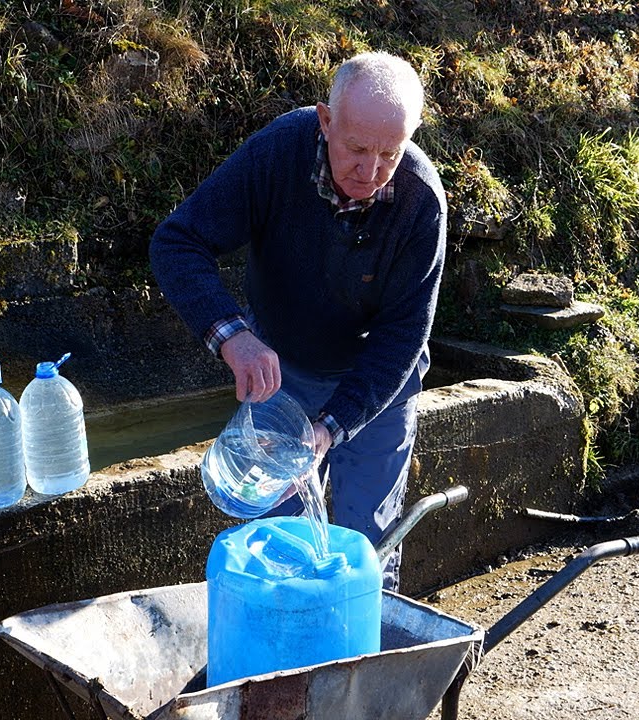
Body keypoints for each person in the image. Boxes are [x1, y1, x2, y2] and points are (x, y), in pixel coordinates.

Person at [149, 51, 446, 589]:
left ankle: (362, 660)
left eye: (390, 154)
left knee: (368, 543)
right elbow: (177, 241)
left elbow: (403, 338)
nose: (372, 171)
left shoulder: (421, 202)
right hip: (283, 374)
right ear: (325, 121)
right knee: (273, 547)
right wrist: (231, 335)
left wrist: (332, 427)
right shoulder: (276, 155)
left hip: (380, 382)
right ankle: (278, 661)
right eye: (356, 149)